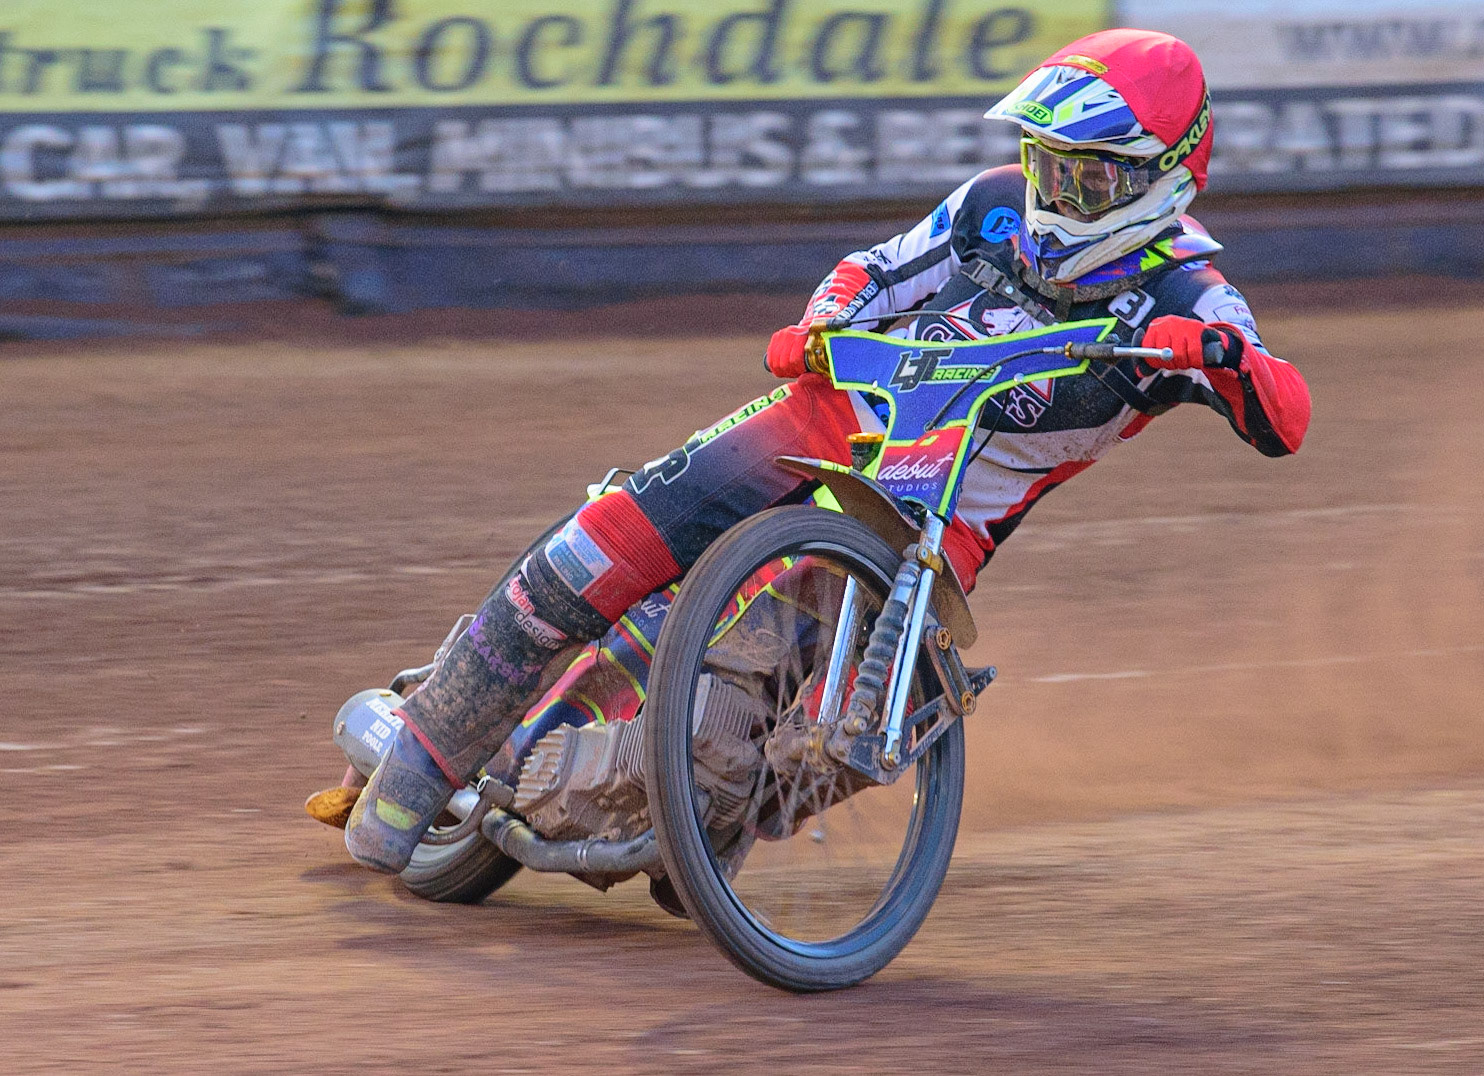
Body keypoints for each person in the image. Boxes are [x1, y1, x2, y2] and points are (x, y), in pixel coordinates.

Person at [344, 27, 1312, 873]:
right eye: (1045, 162)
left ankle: (645, 818)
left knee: (744, 746)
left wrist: (1225, 359)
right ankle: (412, 765)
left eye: (1086, 175)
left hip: (926, 523)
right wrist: (821, 321)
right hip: (819, 419)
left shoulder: (1193, 296)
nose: (1054, 190)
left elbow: (1288, 416)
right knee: (588, 552)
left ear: (1166, 177)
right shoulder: (992, 205)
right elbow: (879, 268)